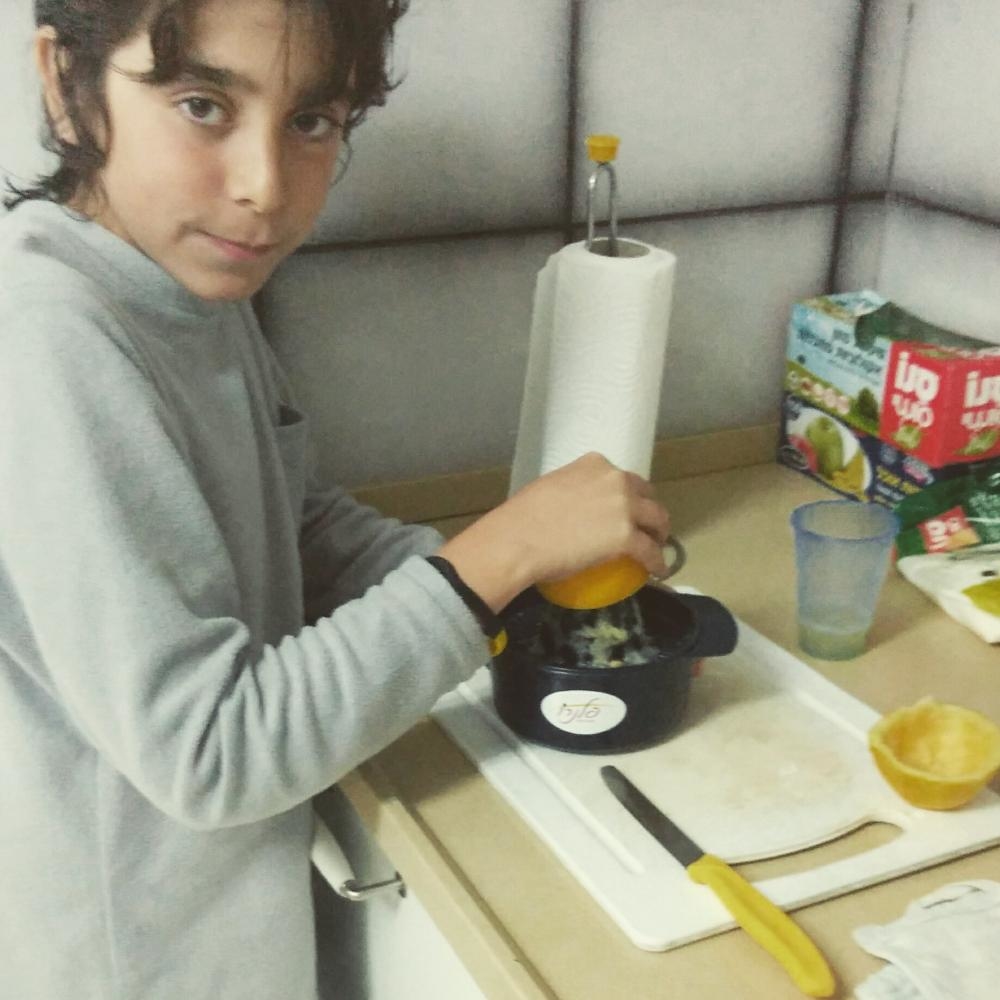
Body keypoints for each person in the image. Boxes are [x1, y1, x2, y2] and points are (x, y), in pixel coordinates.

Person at [0, 1, 672, 998]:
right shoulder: (49, 339)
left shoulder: (179, 280)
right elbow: (211, 755)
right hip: (137, 954)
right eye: (201, 105)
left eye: (313, 122)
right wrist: (495, 559)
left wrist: (509, 582)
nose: (264, 189)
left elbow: (291, 520)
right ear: (65, 83)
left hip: (222, 914)